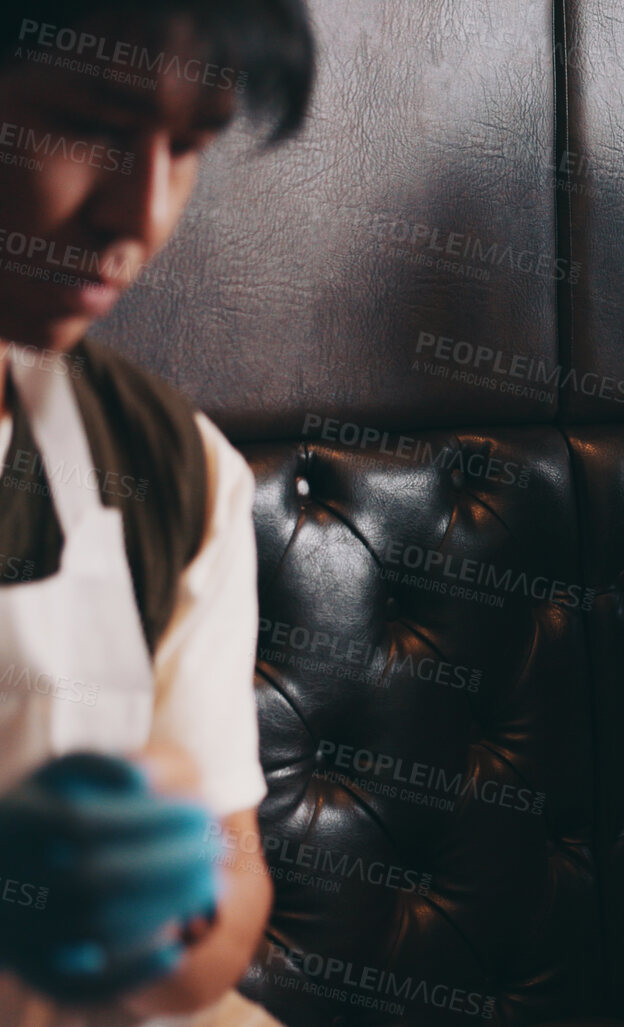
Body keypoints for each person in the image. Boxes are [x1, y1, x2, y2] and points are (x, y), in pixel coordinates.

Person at [0, 0, 314, 1023]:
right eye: (92, 124)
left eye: (186, 148)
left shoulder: (170, 471)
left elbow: (233, 899)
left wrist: (176, 888)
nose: (140, 217)